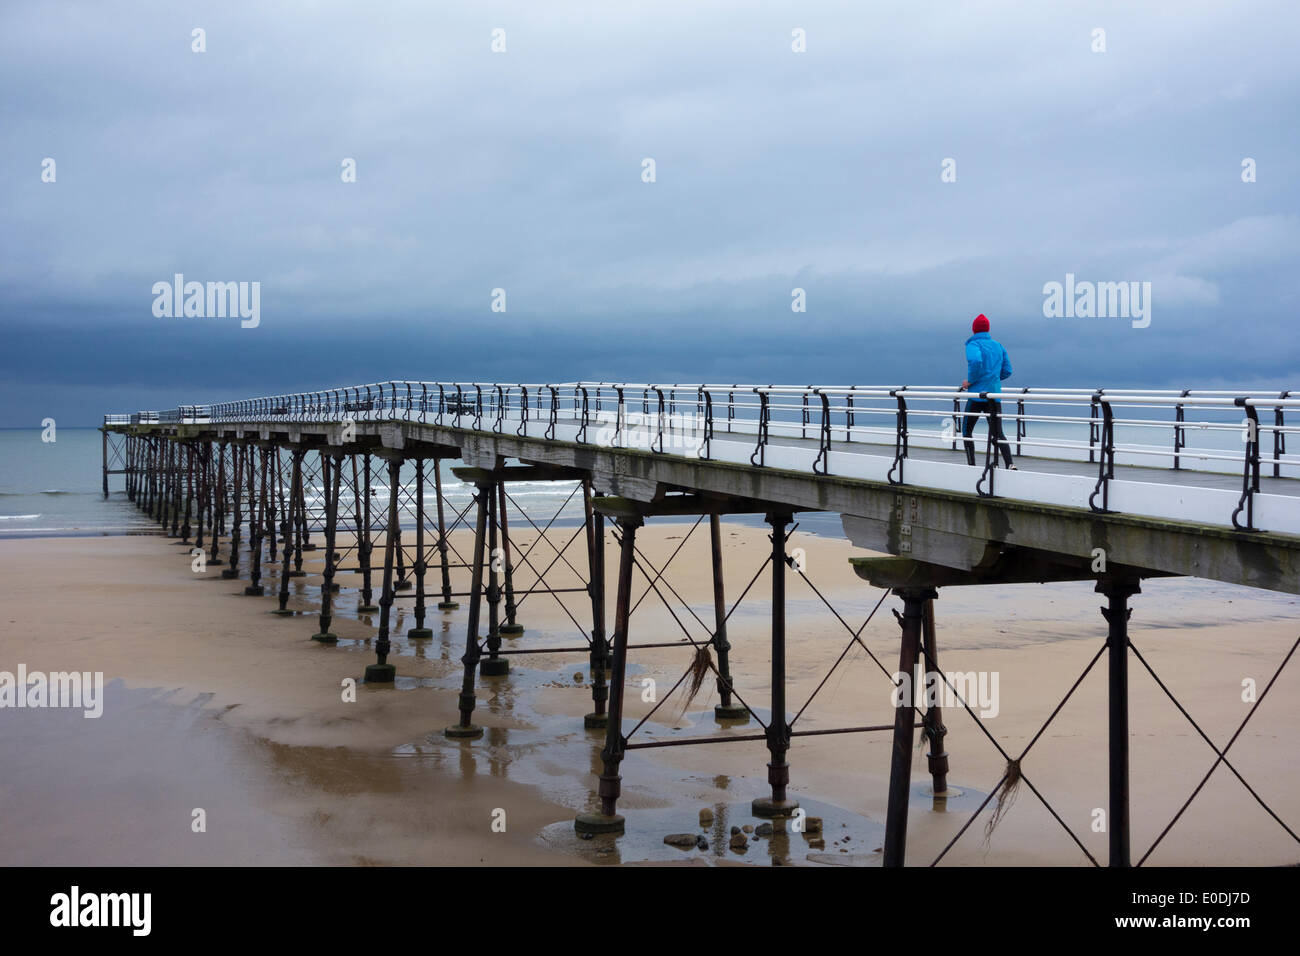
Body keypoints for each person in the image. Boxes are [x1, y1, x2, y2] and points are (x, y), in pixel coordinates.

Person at [960, 313, 1016, 469]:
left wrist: (970, 381)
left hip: (977, 396)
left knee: (966, 431)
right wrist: (993, 380)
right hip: (994, 395)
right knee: (998, 433)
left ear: (974, 329)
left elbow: (976, 361)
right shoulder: (998, 346)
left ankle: (971, 465)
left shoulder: (973, 344)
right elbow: (1007, 371)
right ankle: (1010, 464)